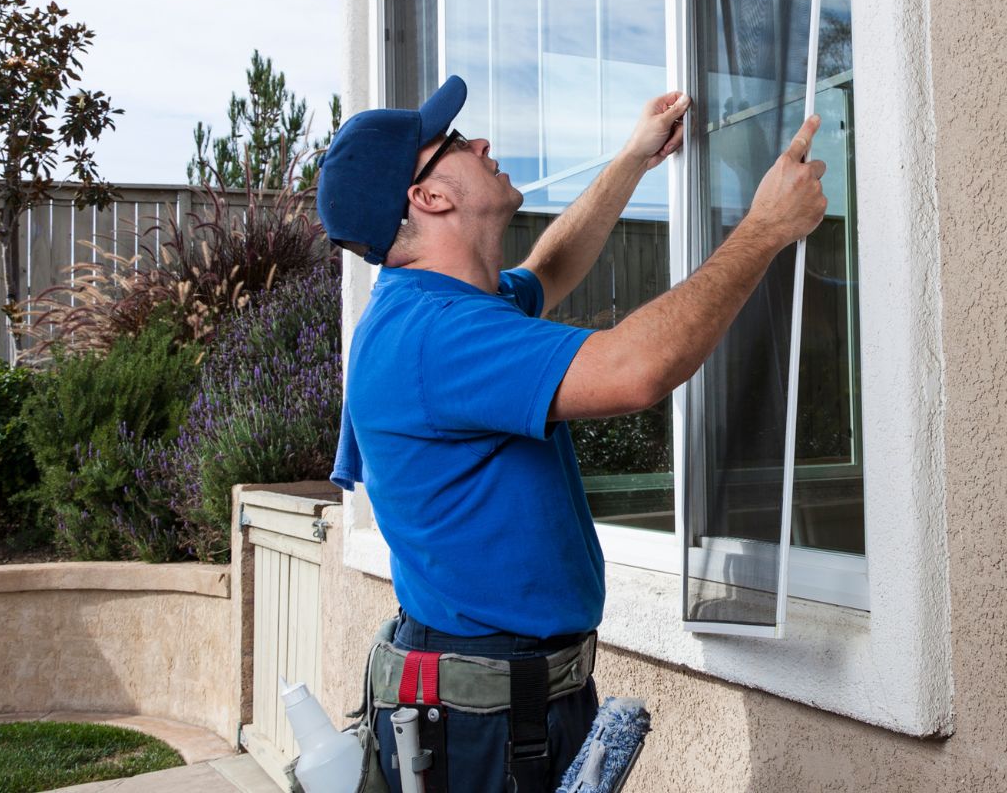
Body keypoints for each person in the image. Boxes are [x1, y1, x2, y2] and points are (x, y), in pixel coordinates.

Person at [315, 74, 825, 793]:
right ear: (429, 197)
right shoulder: (437, 338)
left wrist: (633, 160)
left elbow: (550, 269)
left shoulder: (454, 303)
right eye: (457, 141)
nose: (482, 141)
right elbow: (636, 368)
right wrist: (766, 227)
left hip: (509, 696)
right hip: (483, 727)